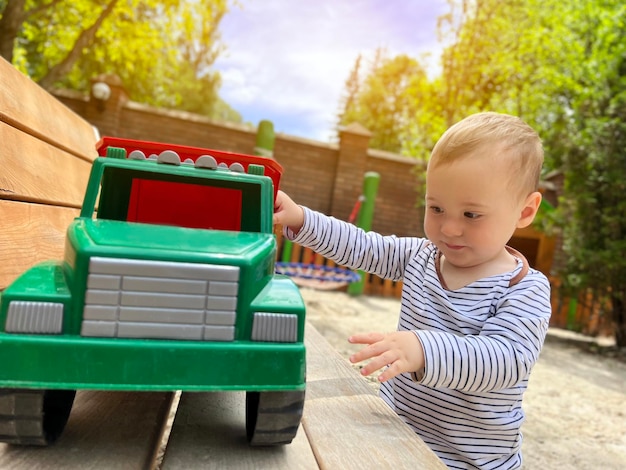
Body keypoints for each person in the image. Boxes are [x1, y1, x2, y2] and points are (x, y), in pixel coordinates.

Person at [273, 112, 551, 470]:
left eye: (471, 215)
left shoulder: (524, 288)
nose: (449, 228)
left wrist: (424, 349)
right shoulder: (421, 256)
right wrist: (302, 219)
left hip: (471, 461)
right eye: (436, 208)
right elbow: (363, 247)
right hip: (395, 434)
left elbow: (507, 360)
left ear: (524, 211)